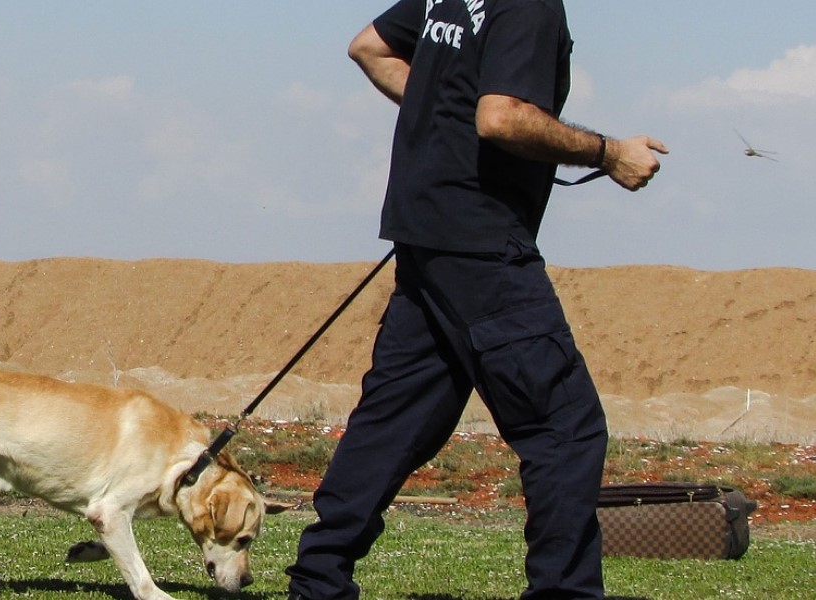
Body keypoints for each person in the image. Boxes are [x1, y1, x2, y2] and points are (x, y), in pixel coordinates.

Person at [286, 1, 668, 599]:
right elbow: (502, 118)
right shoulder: (531, 5)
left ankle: (319, 579)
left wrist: (444, 117)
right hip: (483, 245)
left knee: (396, 418)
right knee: (565, 428)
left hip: (426, 235)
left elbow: (370, 46)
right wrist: (608, 153)